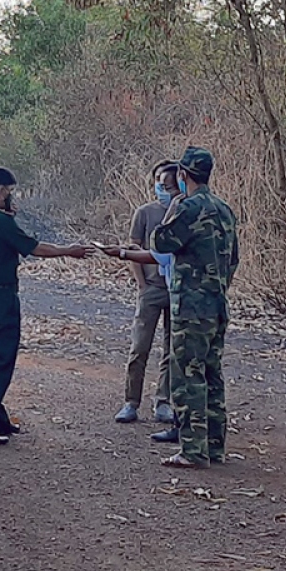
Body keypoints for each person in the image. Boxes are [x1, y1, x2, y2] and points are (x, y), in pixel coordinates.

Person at [0, 166, 93, 446]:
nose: (11, 196)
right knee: (1, 362)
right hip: (1, 296)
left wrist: (9, 217)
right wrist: (69, 250)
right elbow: (34, 248)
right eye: (9, 191)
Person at [150, 146, 238, 468]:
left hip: (190, 308)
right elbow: (234, 259)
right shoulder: (224, 210)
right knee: (212, 375)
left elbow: (160, 242)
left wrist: (173, 210)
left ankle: (193, 450)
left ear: (184, 176)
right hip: (217, 305)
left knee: (187, 377)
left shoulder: (187, 208)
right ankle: (215, 446)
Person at [113, 160, 181, 425]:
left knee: (172, 349)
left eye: (167, 184)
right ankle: (131, 401)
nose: (161, 188)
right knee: (139, 346)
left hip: (176, 290)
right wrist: (141, 283)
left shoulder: (183, 211)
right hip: (151, 289)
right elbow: (134, 249)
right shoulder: (144, 212)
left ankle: (163, 401)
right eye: (158, 182)